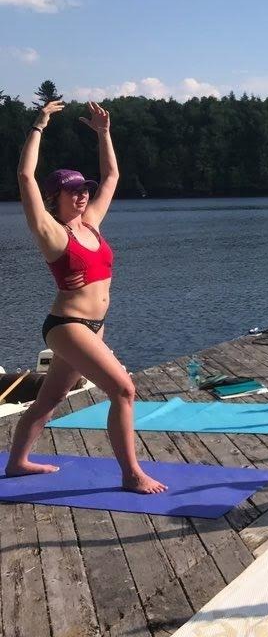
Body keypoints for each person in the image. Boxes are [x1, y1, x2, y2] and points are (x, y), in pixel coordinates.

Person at [9, 100, 167, 494]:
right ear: (55, 197)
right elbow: (25, 176)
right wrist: (39, 124)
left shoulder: (92, 224)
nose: (81, 196)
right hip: (67, 326)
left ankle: (16, 463)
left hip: (93, 328)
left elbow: (112, 174)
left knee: (49, 400)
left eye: (83, 190)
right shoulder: (52, 233)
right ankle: (131, 475)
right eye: (72, 191)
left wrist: (103, 133)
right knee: (123, 389)